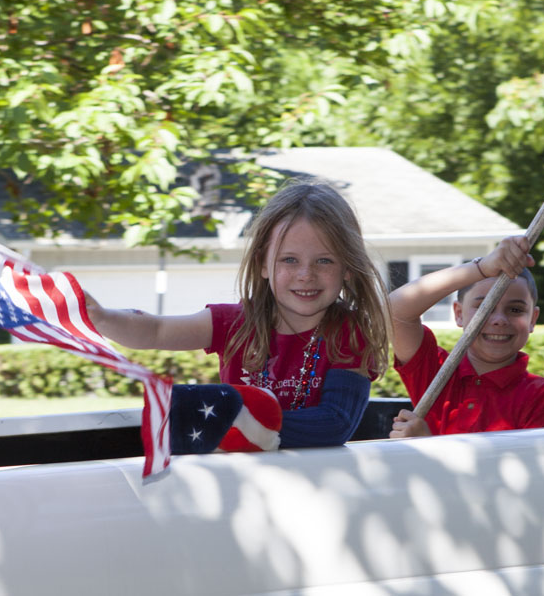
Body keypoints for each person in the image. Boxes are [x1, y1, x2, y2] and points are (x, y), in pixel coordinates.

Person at [85, 179, 391, 451]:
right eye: (289, 260)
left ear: (348, 267)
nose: (305, 274)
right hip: (236, 482)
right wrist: (101, 316)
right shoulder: (233, 323)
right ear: (261, 264)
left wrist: (238, 423)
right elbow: (155, 330)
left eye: (324, 260)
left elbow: (336, 423)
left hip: (313, 488)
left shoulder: (349, 333)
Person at [389, 235, 544, 438]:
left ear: (532, 319)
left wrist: (427, 445)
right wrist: (481, 268)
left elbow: (528, 468)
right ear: (458, 313)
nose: (499, 320)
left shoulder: (543, 395)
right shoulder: (435, 372)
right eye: (484, 307)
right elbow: (393, 310)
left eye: (516, 309)